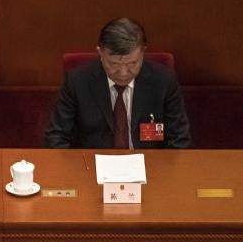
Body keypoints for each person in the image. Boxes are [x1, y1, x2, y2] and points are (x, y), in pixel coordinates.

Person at [45, 17, 191, 149]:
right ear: (100, 53)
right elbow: (57, 137)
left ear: (143, 53)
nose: (123, 73)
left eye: (133, 63)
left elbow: (179, 139)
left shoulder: (163, 81)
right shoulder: (77, 81)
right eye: (114, 64)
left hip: (149, 168)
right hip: (91, 168)